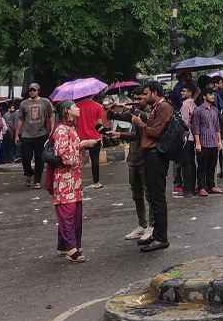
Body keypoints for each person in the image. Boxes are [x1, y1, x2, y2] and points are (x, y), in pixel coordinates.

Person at [49, 101, 100, 263]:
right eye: (74, 107)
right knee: (68, 214)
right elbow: (64, 156)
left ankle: (65, 245)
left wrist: (82, 146)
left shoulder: (71, 128)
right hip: (64, 179)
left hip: (74, 178)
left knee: (75, 214)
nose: (78, 108)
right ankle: (71, 248)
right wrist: (81, 145)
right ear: (67, 111)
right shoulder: (61, 130)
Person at [133, 81, 172, 252]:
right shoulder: (156, 107)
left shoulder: (164, 107)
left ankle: (161, 238)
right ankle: (156, 234)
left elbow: (156, 132)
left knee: (157, 197)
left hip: (157, 155)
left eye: (146, 93)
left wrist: (141, 124)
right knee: (153, 196)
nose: (144, 96)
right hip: (150, 154)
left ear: (155, 92)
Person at [110, 90, 153, 241]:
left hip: (145, 159)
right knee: (136, 195)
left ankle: (151, 227)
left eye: (140, 98)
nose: (136, 101)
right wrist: (111, 109)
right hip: (133, 158)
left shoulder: (149, 112)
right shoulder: (134, 113)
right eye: (134, 99)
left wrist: (132, 110)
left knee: (149, 195)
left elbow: (143, 130)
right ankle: (142, 225)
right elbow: (117, 117)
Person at [15, 83, 54, 190]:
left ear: (38, 91)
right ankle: (29, 173)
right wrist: (17, 134)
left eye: (34, 90)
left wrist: (52, 128)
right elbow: (20, 119)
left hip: (41, 134)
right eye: (30, 90)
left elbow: (51, 115)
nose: (32, 92)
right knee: (25, 158)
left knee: (39, 158)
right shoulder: (24, 103)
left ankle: (37, 180)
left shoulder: (45, 102)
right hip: (26, 135)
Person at [190, 87, 223, 196]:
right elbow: (195, 127)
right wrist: (197, 143)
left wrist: (219, 141)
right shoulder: (198, 110)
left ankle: (211, 186)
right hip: (203, 142)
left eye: (213, 95)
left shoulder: (215, 110)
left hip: (213, 142)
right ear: (204, 97)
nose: (212, 97)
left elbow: (217, 127)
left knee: (212, 166)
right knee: (202, 166)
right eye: (210, 95)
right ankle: (201, 187)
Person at [74, 94, 106, 190]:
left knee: (76, 161)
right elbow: (99, 124)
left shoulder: (76, 107)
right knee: (95, 161)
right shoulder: (98, 106)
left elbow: (74, 123)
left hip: (80, 138)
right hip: (95, 138)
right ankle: (96, 182)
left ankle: (76, 182)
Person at [175, 85, 197, 197]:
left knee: (186, 164)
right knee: (191, 163)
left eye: (184, 91)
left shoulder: (185, 105)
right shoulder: (194, 104)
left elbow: (184, 123)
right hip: (193, 137)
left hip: (186, 138)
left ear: (190, 92)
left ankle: (187, 190)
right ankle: (191, 188)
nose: (182, 93)